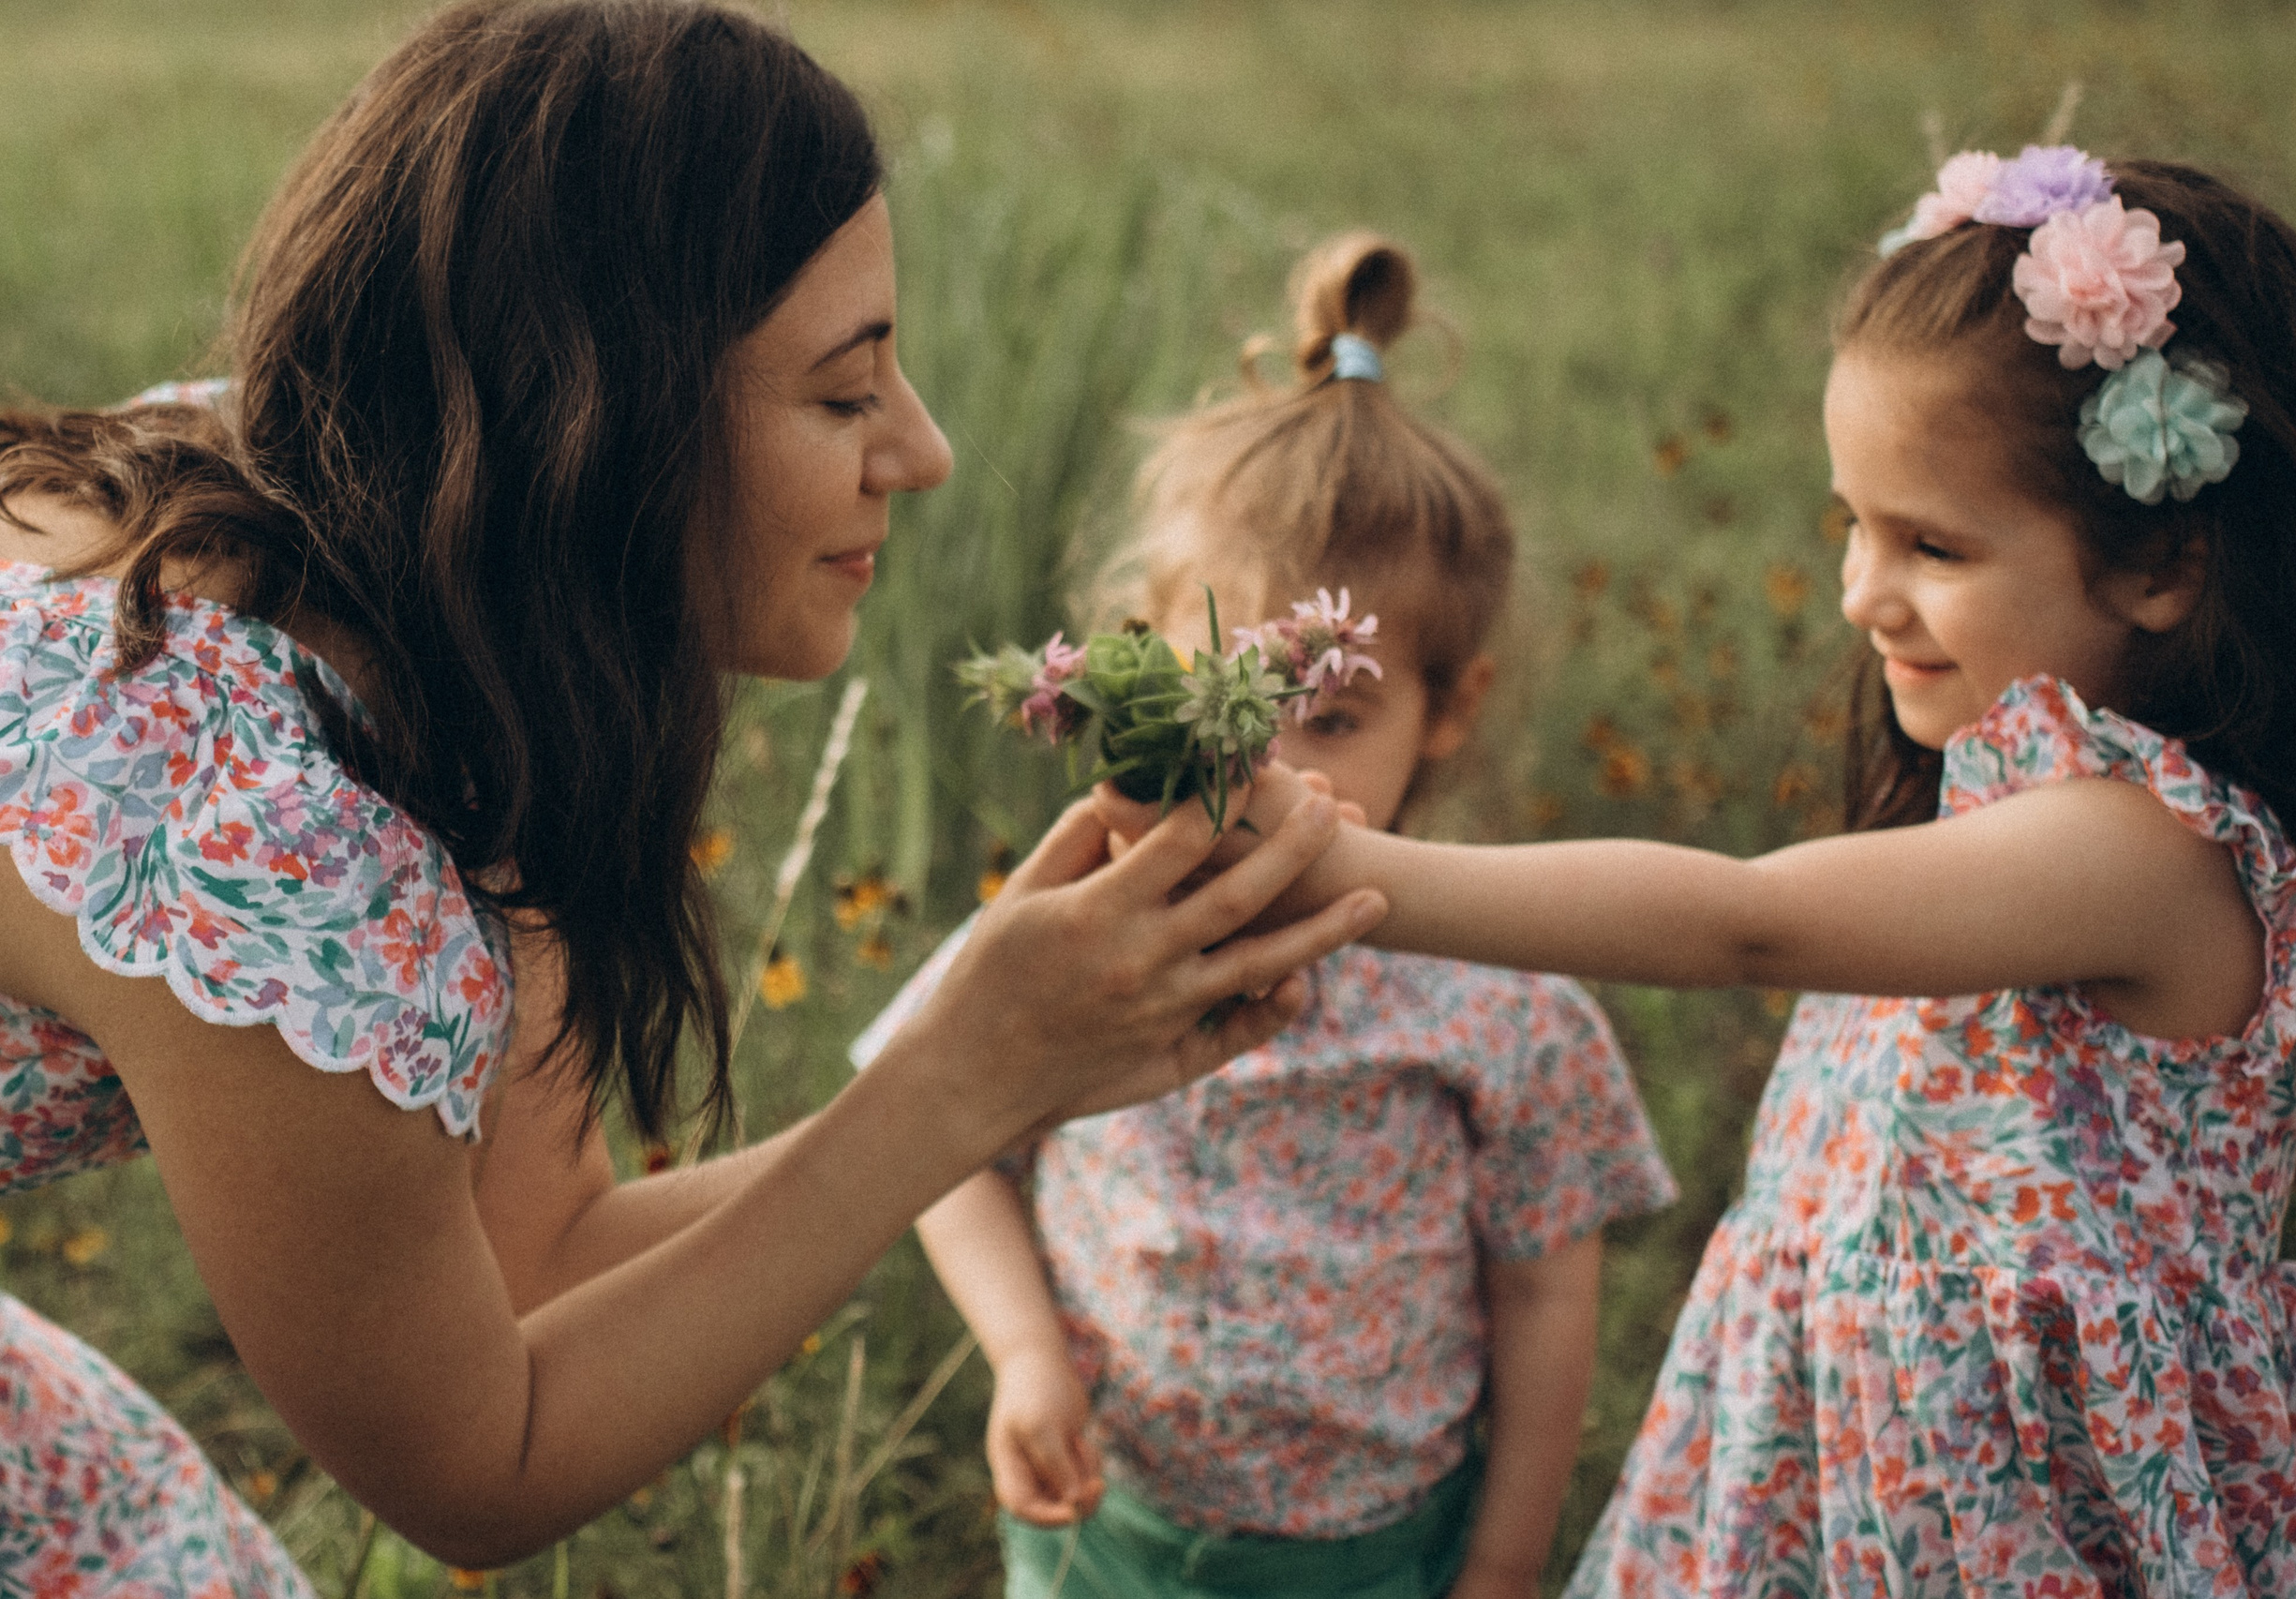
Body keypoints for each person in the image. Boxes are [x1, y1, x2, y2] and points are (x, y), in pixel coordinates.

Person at [0, 2, 1383, 1585]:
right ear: (600, 423)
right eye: (844, 392)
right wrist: (951, 1081)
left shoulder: (363, 525)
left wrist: (1020, 1058)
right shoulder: (258, 834)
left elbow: (539, 1260)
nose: (921, 452)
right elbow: (478, 1463)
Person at [1104, 151, 2296, 1597]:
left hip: (2004, 1528)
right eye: (1852, 522)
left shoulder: (2140, 852)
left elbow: (1746, 920)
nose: (1861, 589)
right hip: (1840, 1473)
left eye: (1931, 543)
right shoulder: (2011, 803)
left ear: (2163, 560)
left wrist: (1343, 864)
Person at [853, 233, 1678, 1599]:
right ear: (1137, 670)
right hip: (1105, 1532)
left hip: (1375, 1554)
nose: (1280, 765)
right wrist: (1022, 1353)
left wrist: (1507, 1561)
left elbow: (1545, 1292)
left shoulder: (1507, 998)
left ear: (1449, 709)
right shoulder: (1084, 932)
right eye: (1228, 698)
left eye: (1337, 714)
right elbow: (935, 1133)